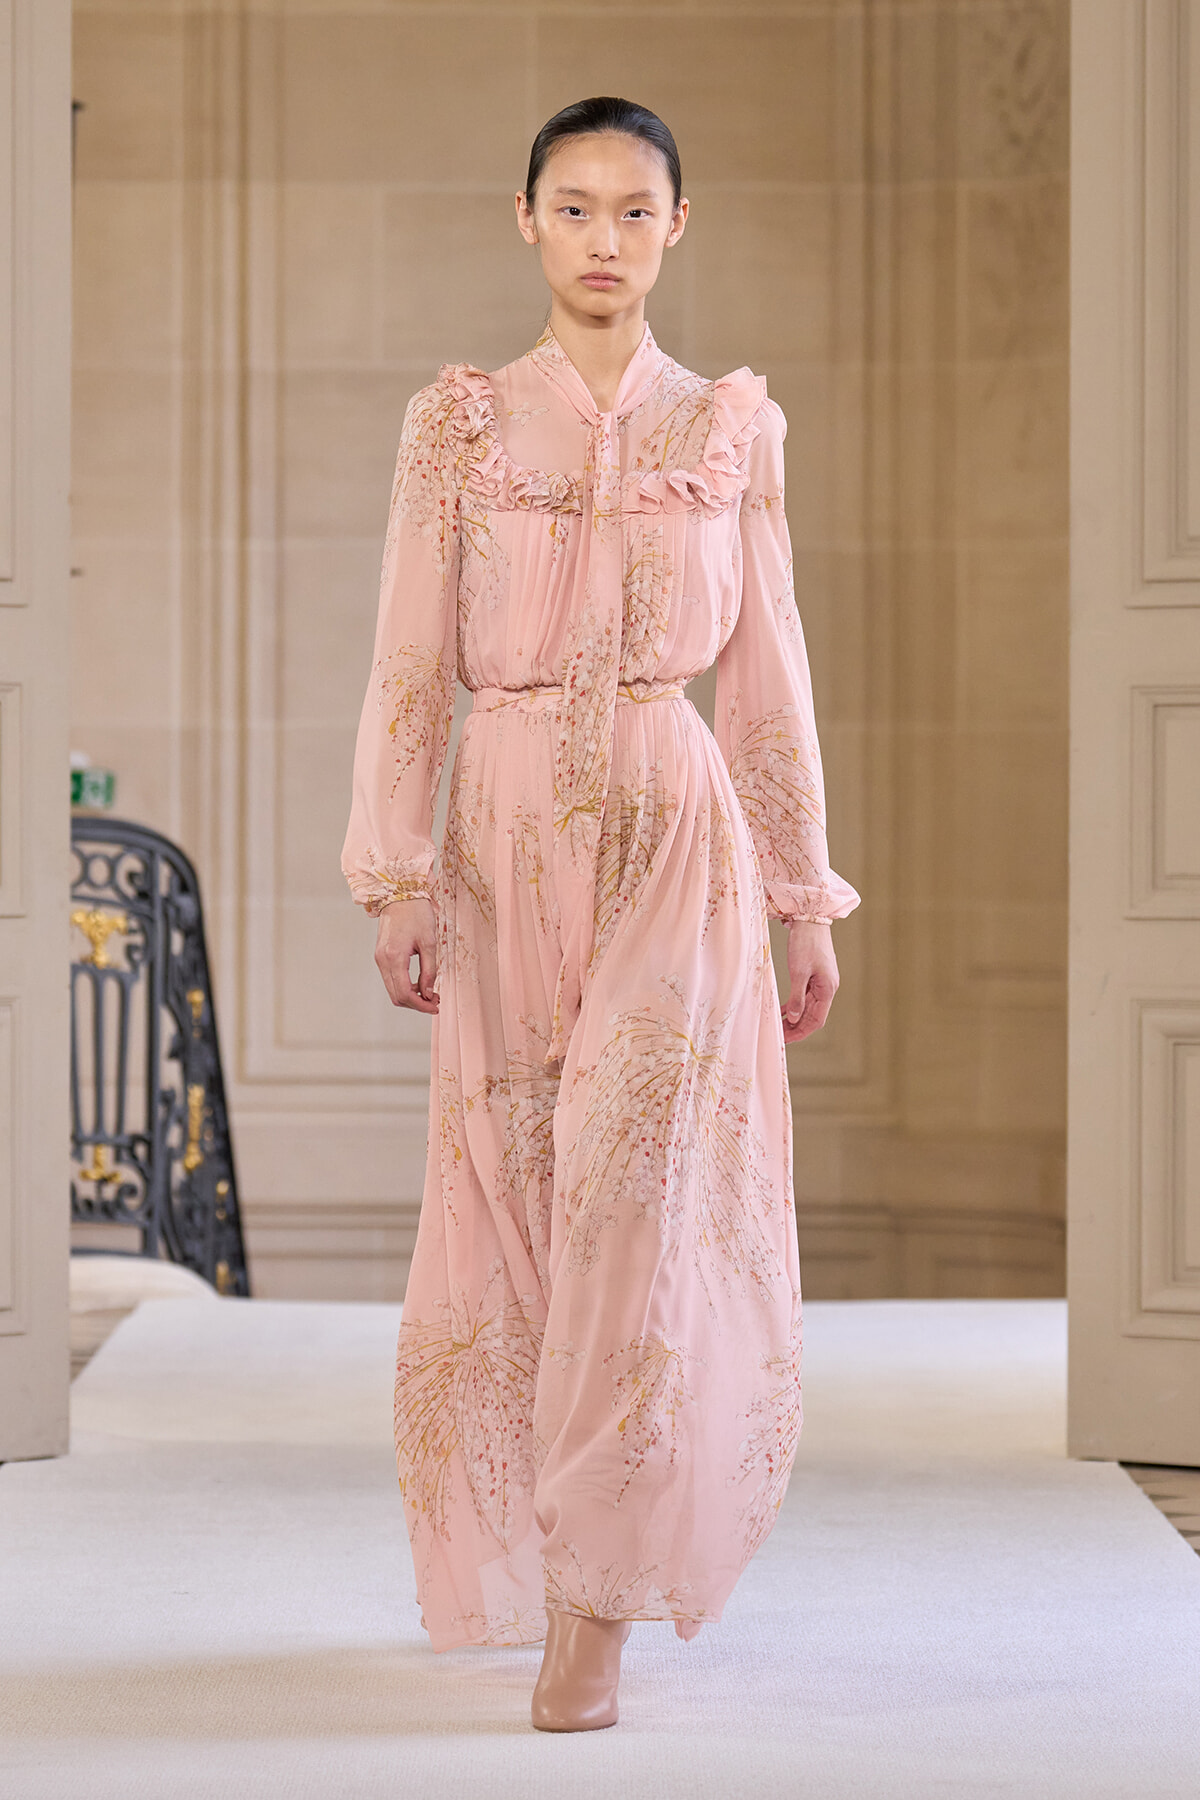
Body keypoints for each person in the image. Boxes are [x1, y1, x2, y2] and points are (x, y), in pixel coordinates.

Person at [341, 95, 861, 1732]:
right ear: (526, 221)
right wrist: (394, 871)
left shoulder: (731, 427)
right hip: (500, 838)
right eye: (574, 208)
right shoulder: (459, 424)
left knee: (636, 1200)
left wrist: (803, 894)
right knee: (521, 1195)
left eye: (636, 211)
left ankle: (596, 1611)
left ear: (677, 228)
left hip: (675, 833)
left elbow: (766, 664)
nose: (605, 241)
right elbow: (409, 655)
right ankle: (545, 1541)